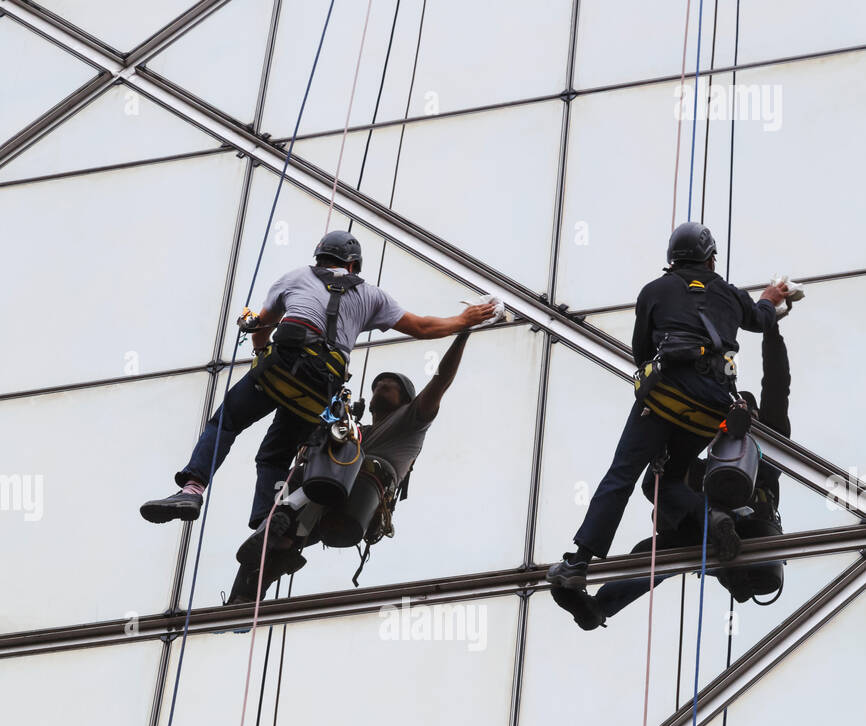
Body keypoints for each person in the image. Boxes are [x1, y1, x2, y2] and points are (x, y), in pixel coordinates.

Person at [139, 230, 494, 529]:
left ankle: (192, 490)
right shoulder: (371, 295)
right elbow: (422, 327)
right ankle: (269, 518)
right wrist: (466, 319)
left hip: (281, 367)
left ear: (319, 258)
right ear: (353, 266)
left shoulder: (294, 277)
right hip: (320, 387)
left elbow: (261, 328)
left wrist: (262, 362)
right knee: (275, 454)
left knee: (227, 421)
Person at [545, 222, 790, 618]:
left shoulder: (654, 292)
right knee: (667, 479)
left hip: (663, 399)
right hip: (712, 409)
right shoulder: (729, 294)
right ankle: (711, 518)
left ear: (672, 259)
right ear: (712, 258)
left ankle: (579, 561)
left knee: (622, 475)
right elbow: (761, 320)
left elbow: (641, 353)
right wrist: (770, 297)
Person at [225, 329, 474, 603]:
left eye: (389, 385)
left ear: (406, 398)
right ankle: (247, 594)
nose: (380, 387)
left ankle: (283, 522)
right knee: (272, 541)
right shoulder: (356, 432)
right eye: (377, 385)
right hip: (332, 494)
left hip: (363, 488)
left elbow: (441, 380)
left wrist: (463, 334)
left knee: (300, 499)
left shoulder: (411, 420)